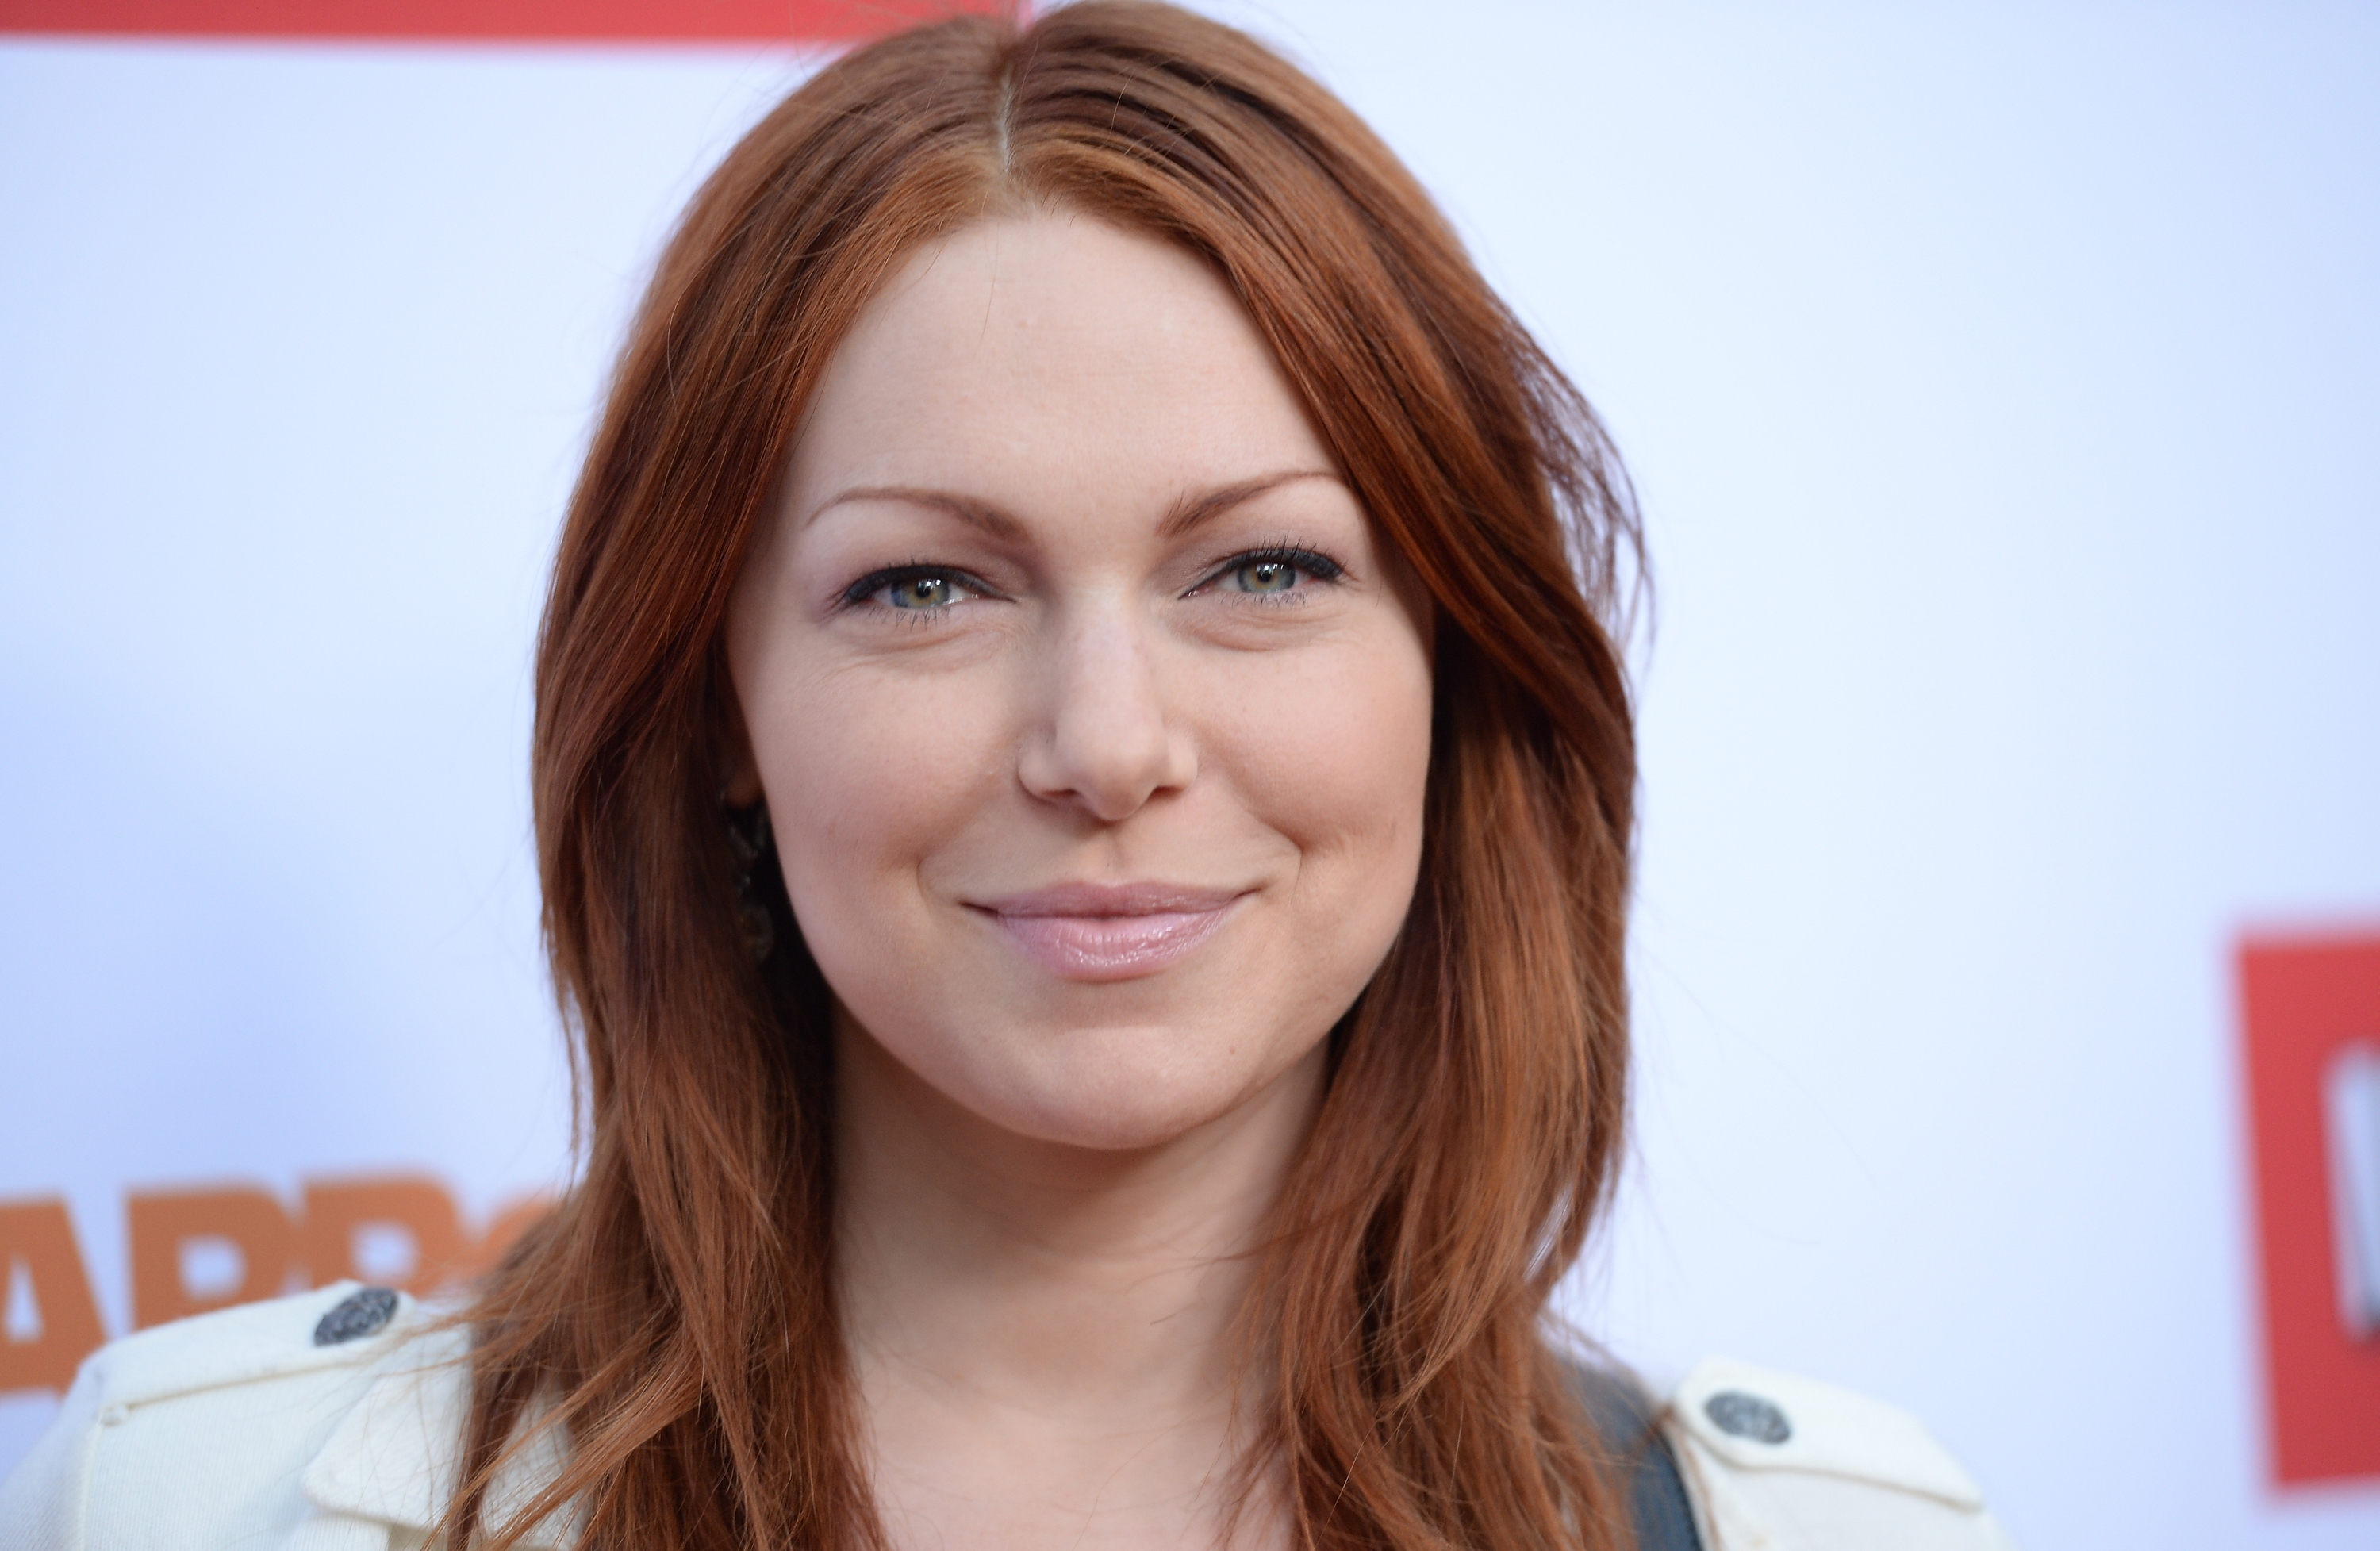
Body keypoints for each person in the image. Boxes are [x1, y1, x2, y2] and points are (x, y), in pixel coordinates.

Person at [0, 5, 2019, 1549]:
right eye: (925, 585)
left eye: (1265, 568)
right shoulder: (206, 1500)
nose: (1109, 744)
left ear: (1459, 661)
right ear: (712, 703)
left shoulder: (1829, 1529)